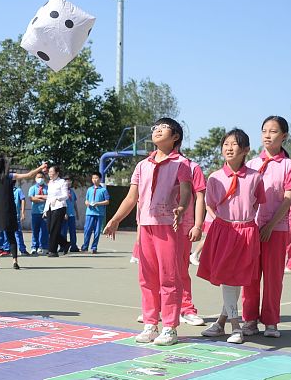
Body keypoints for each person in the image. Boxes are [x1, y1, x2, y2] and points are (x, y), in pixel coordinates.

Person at [104, 118, 193, 346]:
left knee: (169, 277)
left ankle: (170, 328)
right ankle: (151, 324)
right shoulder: (142, 166)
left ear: (175, 138)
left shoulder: (181, 164)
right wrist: (115, 219)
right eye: (155, 128)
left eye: (163, 128)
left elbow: (185, 190)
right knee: (147, 277)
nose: (157, 131)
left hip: (167, 227)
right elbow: (132, 197)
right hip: (145, 226)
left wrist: (182, 206)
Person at [197, 129, 265, 344]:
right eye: (225, 144)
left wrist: (243, 223)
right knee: (228, 279)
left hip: (246, 231)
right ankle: (235, 326)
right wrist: (222, 223)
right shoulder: (215, 177)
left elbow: (256, 203)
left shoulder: (255, 177)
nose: (228, 148)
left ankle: (220, 323)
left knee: (235, 279)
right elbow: (209, 204)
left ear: (245, 150)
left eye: (234, 144)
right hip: (224, 230)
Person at [241, 116, 291, 339]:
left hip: (276, 229)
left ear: (284, 136)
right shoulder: (250, 165)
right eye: (264, 130)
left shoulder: (290, 165)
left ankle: (271, 321)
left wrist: (270, 225)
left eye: (273, 131)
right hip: (250, 229)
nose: (268, 135)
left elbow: (287, 200)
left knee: (273, 277)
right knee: (249, 277)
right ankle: (248, 319)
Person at [0, 155, 47, 269]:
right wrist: (40, 167)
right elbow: (29, 175)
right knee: (11, 235)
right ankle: (15, 260)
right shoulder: (9, 176)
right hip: (8, 209)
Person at [177, 147, 208, 326]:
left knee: (181, 270)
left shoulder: (192, 167)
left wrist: (197, 225)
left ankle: (186, 308)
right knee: (158, 270)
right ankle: (159, 308)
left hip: (182, 226)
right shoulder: (150, 165)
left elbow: (199, 197)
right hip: (158, 226)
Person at [42, 164, 70, 257]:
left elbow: (66, 195)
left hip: (59, 207)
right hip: (50, 207)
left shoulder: (62, 182)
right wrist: (45, 210)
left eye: (52, 172)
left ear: (57, 173)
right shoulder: (50, 183)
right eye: (49, 172)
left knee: (54, 229)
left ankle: (52, 251)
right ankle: (65, 244)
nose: (50, 174)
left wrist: (57, 198)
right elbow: (49, 197)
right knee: (50, 229)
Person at [81, 172, 110, 253]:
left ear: (100, 179)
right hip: (89, 213)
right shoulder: (89, 189)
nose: (94, 180)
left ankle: (94, 247)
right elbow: (86, 200)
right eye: (93, 178)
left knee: (97, 231)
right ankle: (85, 246)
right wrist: (87, 203)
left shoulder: (103, 190)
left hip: (99, 213)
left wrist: (98, 204)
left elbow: (107, 201)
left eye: (96, 178)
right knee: (87, 230)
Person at [28, 174, 48, 254]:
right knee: (35, 230)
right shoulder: (32, 188)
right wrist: (43, 198)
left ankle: (43, 246)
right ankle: (34, 247)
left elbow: (49, 197)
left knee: (44, 231)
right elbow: (32, 198)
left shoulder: (47, 188)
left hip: (45, 212)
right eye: (38, 177)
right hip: (35, 212)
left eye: (42, 177)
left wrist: (38, 196)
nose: (40, 179)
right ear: (35, 179)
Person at [60, 182, 79, 253]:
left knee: (72, 231)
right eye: (67, 182)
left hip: (72, 215)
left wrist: (76, 213)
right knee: (63, 231)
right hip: (65, 215)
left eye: (70, 181)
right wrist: (64, 213)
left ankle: (73, 246)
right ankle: (63, 246)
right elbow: (61, 203)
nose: (68, 183)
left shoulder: (72, 192)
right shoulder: (62, 192)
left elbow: (74, 203)